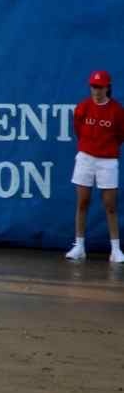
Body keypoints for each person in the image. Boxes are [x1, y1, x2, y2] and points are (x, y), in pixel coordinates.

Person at [65, 71, 124, 264]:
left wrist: (106, 149)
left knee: (110, 206)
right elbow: (78, 130)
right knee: (82, 202)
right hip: (86, 158)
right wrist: (89, 149)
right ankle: (79, 246)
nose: (96, 91)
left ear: (107, 87)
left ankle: (115, 249)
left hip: (108, 160)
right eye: (93, 86)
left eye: (100, 87)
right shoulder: (82, 107)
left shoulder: (117, 111)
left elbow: (120, 135)